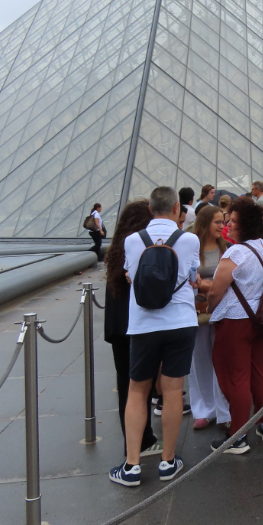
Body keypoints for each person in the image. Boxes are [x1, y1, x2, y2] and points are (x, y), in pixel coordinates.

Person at [109, 187, 199, 487]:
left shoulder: (132, 241)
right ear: (177, 208)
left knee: (137, 391)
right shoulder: (189, 239)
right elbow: (193, 277)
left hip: (144, 324)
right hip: (181, 321)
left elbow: (130, 275)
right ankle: (168, 461)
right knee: (173, 391)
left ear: (150, 209)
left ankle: (132, 465)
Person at [207, 197, 263, 455]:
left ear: (245, 224)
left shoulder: (236, 252)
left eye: (233, 221)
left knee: (234, 377)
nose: (228, 224)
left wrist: (209, 306)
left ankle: (237, 436)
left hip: (234, 321)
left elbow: (216, 289)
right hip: (259, 318)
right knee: (259, 370)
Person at [103, 200, 160, 461]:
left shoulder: (118, 249)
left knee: (126, 382)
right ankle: (140, 441)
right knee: (138, 387)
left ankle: (137, 437)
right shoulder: (138, 248)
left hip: (117, 324)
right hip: (134, 325)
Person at [189, 206, 231, 431]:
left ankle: (223, 409)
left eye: (222, 222)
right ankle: (204, 409)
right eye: (217, 222)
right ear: (205, 223)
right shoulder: (192, 247)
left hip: (222, 309)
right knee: (200, 359)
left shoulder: (227, 246)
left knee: (222, 360)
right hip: (198, 312)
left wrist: (204, 284)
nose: (221, 226)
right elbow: (187, 278)